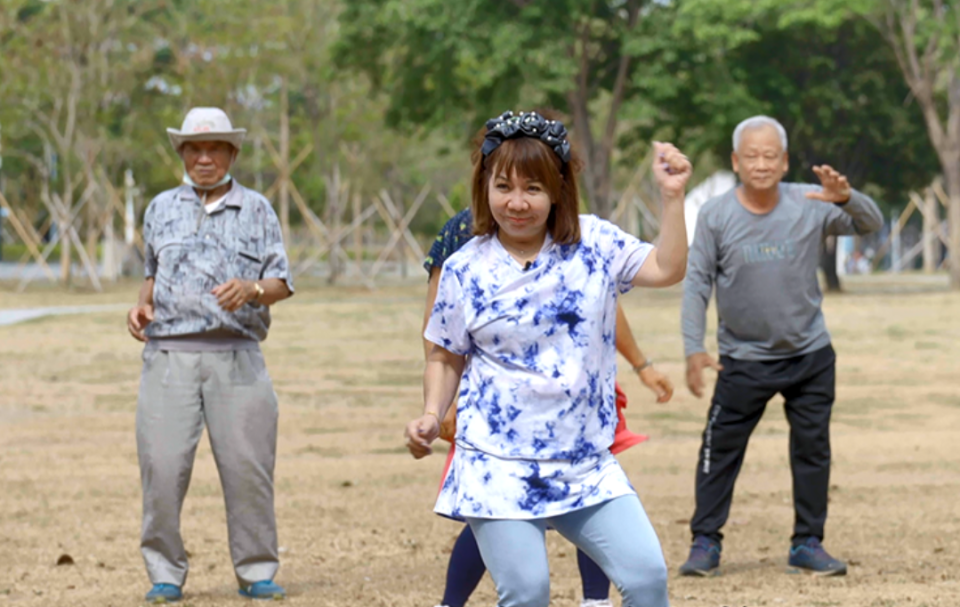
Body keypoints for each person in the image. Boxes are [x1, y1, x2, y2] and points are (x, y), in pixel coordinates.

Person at [405, 110, 691, 607]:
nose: (517, 203)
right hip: (496, 462)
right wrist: (432, 413)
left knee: (646, 577)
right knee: (528, 591)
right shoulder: (464, 268)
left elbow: (667, 267)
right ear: (484, 187)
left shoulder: (595, 243)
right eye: (503, 187)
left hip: (584, 461)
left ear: (558, 188)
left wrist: (672, 199)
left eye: (533, 188)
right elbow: (445, 354)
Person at [679, 115, 883, 577]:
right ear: (735, 161)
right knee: (719, 450)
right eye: (751, 155)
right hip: (742, 361)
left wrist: (848, 197)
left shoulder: (810, 202)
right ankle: (705, 542)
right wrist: (694, 348)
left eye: (771, 155)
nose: (762, 163)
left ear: (785, 161)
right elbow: (696, 286)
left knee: (813, 450)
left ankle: (807, 542)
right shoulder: (715, 215)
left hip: (809, 354)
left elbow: (871, 223)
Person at [126, 107, 294, 603]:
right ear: (181, 153)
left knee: (249, 471)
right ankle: (164, 573)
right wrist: (141, 307)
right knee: (161, 467)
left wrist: (252, 290)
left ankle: (256, 570)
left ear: (232, 153)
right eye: (195, 149)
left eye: (215, 149)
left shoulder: (259, 209)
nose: (204, 158)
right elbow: (151, 276)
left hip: (238, 358)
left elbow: (282, 282)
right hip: (168, 358)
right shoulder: (159, 208)